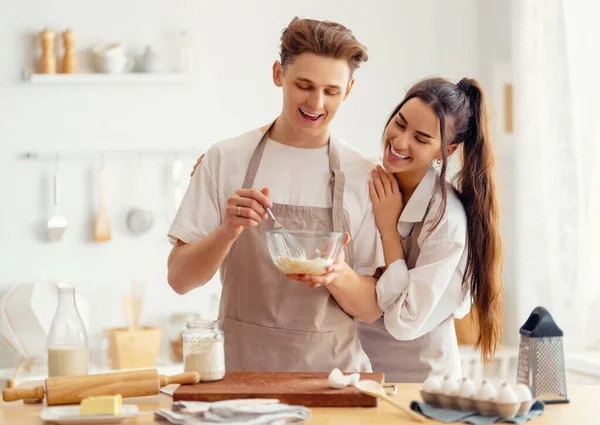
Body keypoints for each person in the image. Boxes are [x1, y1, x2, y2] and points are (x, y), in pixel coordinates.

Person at [167, 16, 383, 373]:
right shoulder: (225, 159)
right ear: (277, 75)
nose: (315, 102)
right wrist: (227, 231)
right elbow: (179, 279)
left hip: (332, 381)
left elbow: (372, 308)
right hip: (241, 377)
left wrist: (336, 274)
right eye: (304, 85)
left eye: (331, 90)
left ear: (348, 90)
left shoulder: (363, 175)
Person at [292, 77, 504, 382]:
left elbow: (404, 321)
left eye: (420, 138)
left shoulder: (445, 219)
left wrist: (389, 230)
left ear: (446, 150)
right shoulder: (369, 177)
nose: (400, 142)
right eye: (399, 123)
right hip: (357, 366)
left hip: (422, 377)